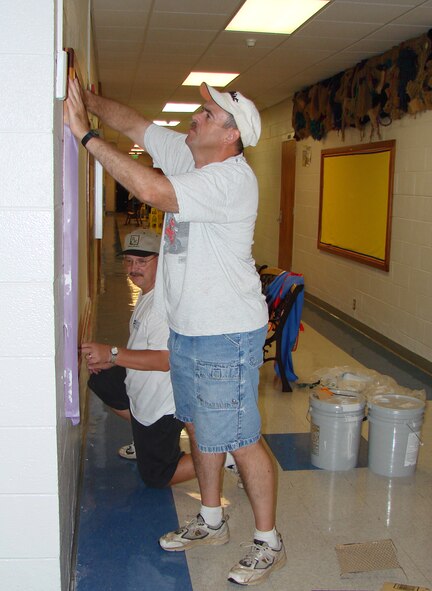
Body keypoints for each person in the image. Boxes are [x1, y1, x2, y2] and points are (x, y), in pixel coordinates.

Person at [66, 78, 286, 586]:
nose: (197, 115)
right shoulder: (193, 158)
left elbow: (148, 189)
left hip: (227, 334)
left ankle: (268, 541)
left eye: (208, 114)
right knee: (197, 427)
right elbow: (136, 124)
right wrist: (90, 101)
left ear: (230, 136)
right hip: (189, 329)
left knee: (239, 439)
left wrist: (84, 134)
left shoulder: (231, 180)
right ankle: (211, 520)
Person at [83, 229, 195, 488]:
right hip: (142, 386)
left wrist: (112, 354)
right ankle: (144, 440)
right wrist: (111, 362)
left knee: (157, 477)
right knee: (104, 380)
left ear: (162, 259)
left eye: (142, 261)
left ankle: (224, 457)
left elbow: (164, 360)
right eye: (129, 261)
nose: (134, 268)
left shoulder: (161, 306)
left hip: (163, 402)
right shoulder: (148, 292)